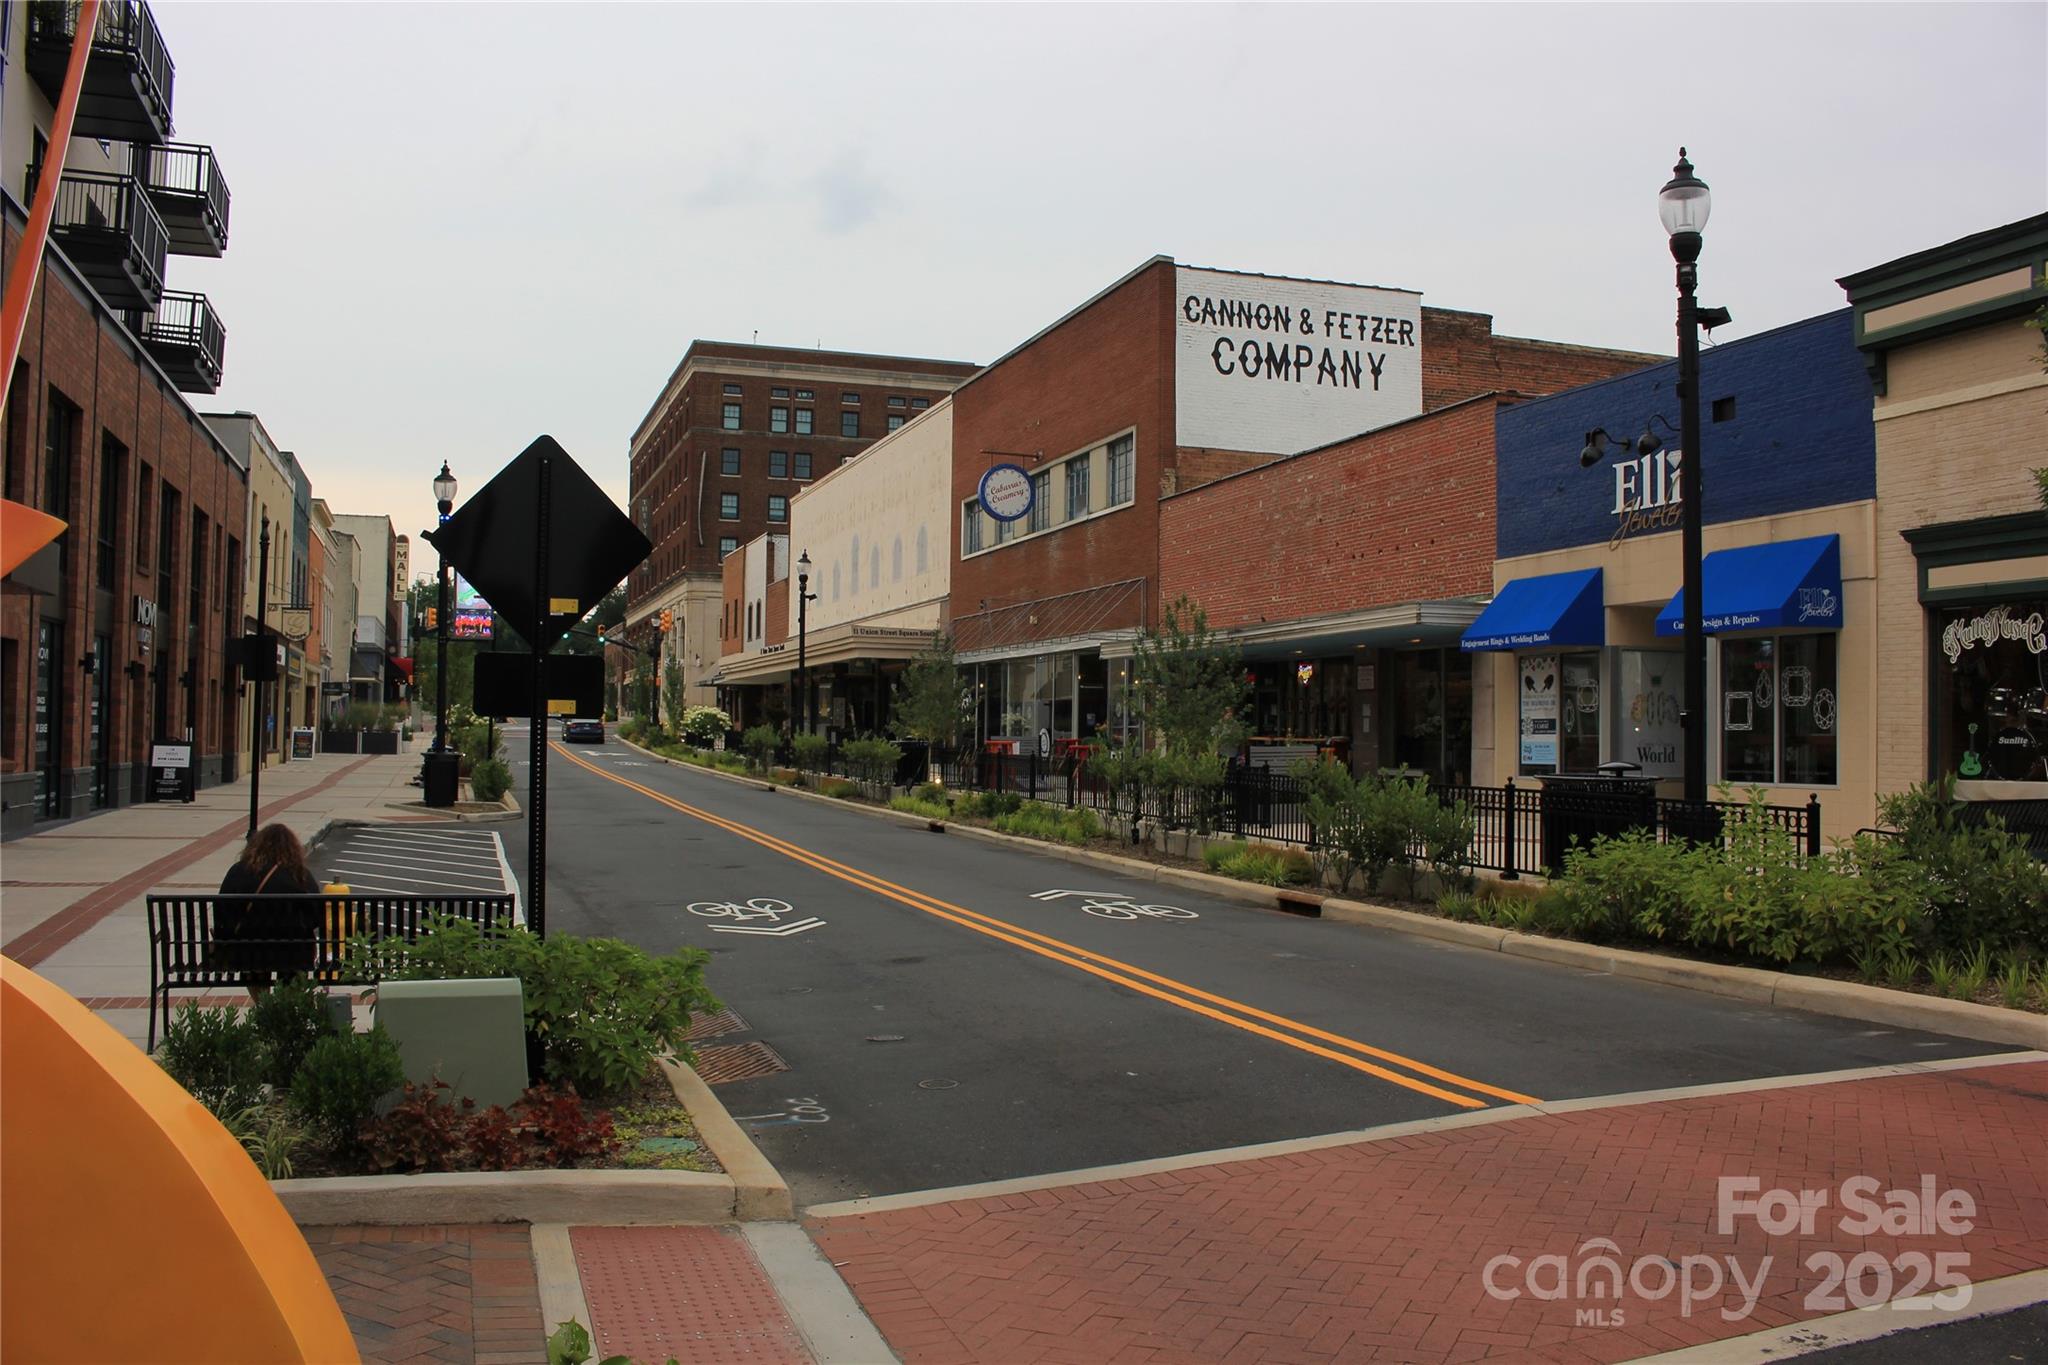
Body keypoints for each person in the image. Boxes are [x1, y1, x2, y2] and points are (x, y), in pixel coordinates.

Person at [215, 823, 323, 997]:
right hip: (293, 953)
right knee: (297, 949)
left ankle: (263, 1006)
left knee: (253, 954)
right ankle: (285, 1007)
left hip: (249, 951)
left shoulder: (238, 871)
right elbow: (316, 917)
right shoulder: (300, 874)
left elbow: (223, 913)